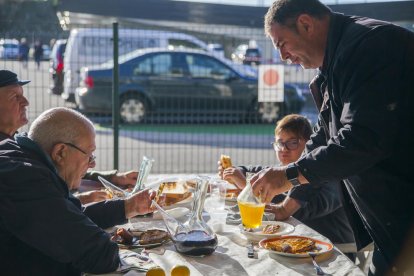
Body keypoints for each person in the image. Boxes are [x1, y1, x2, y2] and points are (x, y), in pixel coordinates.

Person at [251, 0, 414, 275]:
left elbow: (361, 140)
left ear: (306, 24)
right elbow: (324, 138)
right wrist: (288, 204)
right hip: (392, 231)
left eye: (282, 44)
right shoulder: (336, 61)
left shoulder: (371, 46)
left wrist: (288, 174)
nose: (283, 57)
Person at [0, 107, 155, 274]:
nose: (92, 164)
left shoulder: (18, 155)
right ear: (60, 152)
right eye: (89, 155)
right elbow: (98, 254)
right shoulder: (24, 178)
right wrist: (105, 242)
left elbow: (69, 216)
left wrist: (128, 207)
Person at [0, 69, 138, 204]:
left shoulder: (13, 141)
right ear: (60, 151)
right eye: (14, 97)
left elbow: (57, 171)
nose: (25, 102)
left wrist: (113, 178)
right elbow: (40, 203)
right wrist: (77, 201)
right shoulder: (8, 154)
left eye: (22, 95)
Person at [219, 114, 354, 249]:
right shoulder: (280, 171)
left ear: (309, 145)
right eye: (280, 143)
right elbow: (250, 170)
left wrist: (248, 188)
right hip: (292, 245)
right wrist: (233, 172)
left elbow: (299, 211)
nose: (284, 149)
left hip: (332, 250)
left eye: (292, 142)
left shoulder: (327, 177)